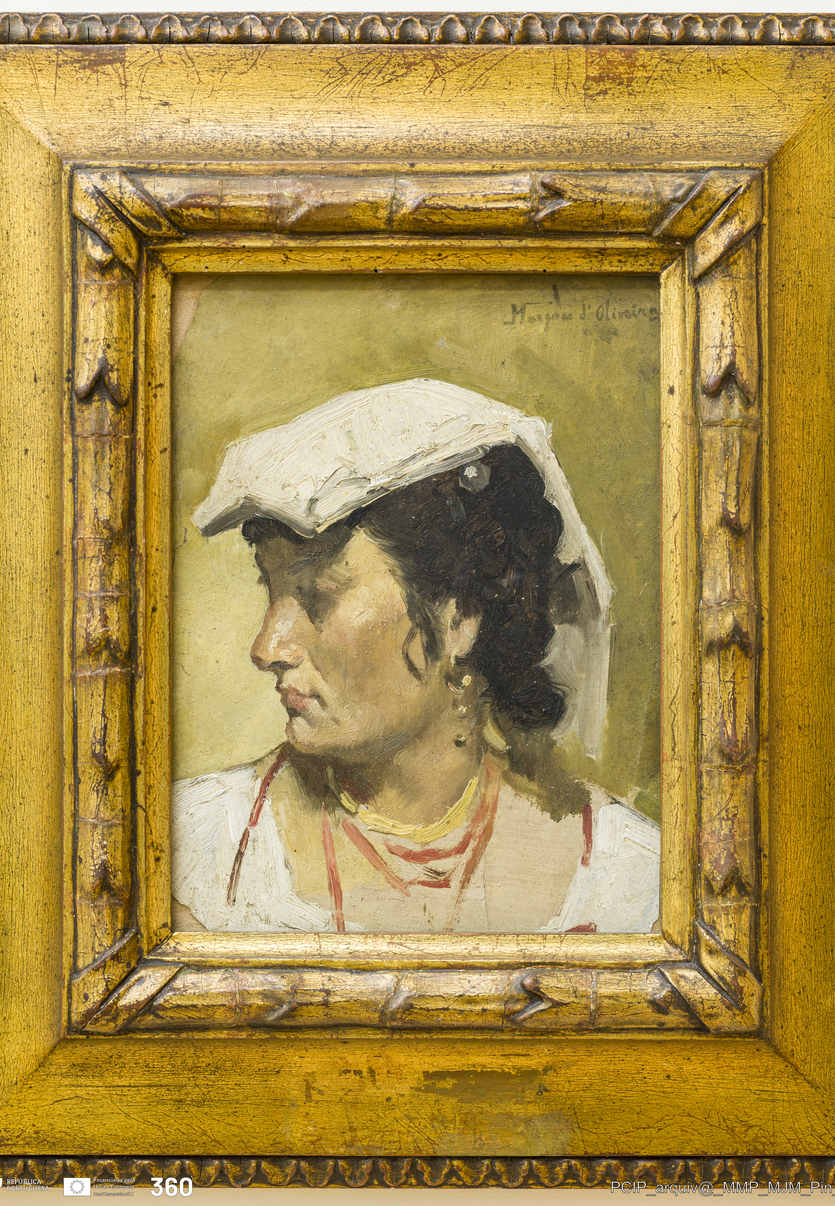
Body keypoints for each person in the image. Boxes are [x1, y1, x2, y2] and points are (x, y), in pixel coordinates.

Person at [171, 379, 659, 934]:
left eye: (315, 595)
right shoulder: (196, 853)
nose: (267, 649)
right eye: (271, 588)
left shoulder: (625, 878)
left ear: (460, 618)